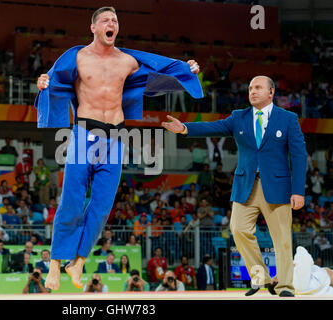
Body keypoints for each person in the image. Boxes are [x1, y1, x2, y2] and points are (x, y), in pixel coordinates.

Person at [35, 6, 201, 291]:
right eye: (105, 20)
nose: (111, 23)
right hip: (84, 134)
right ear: (93, 28)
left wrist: (187, 69)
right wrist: (41, 81)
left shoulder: (127, 60)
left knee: (101, 207)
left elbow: (162, 67)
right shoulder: (77, 57)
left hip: (115, 137)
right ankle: (54, 264)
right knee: (72, 201)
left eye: (115, 20)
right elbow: (51, 79)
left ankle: (77, 260)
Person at [163, 75, 306, 297]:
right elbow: (214, 127)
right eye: (250, 88)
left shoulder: (288, 119)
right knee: (238, 230)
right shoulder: (239, 117)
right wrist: (184, 129)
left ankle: (285, 286)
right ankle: (261, 278)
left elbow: (299, 156)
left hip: (278, 186)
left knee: (282, 239)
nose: (253, 91)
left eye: (258, 87)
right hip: (246, 185)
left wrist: (298, 190)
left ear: (271, 93)